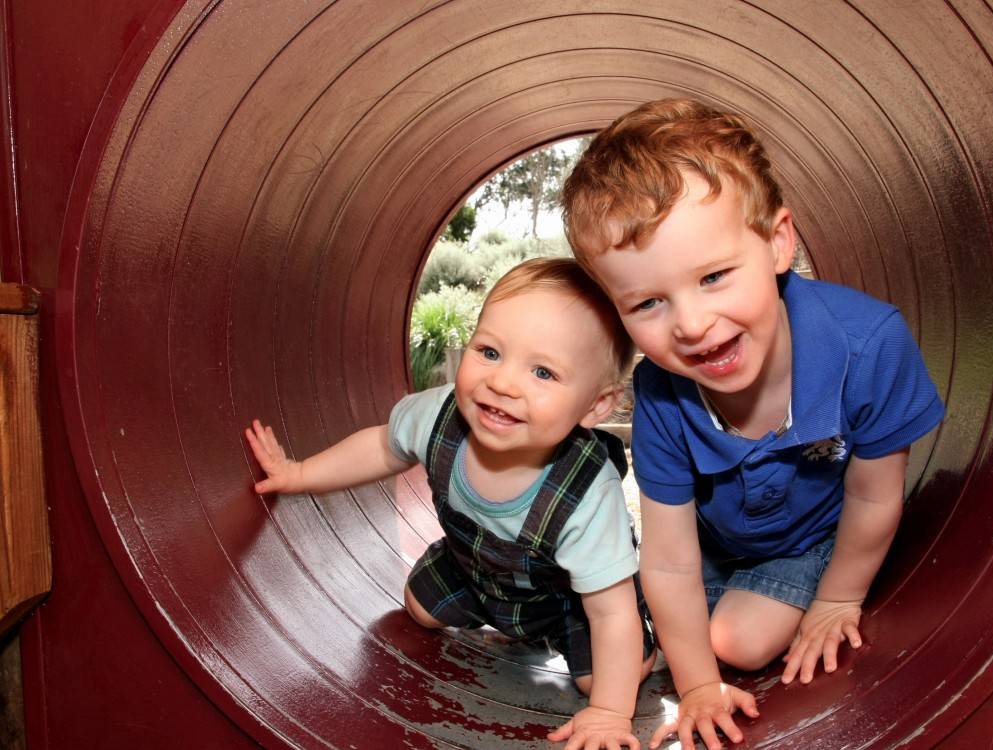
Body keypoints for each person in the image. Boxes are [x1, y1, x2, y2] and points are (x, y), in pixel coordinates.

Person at [561, 98, 945, 750]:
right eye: (648, 302)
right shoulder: (662, 392)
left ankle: (782, 597)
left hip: (812, 537)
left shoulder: (867, 344)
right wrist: (698, 689)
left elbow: (875, 493)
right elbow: (672, 559)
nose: (690, 324)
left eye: (713, 276)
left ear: (777, 243)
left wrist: (837, 599)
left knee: (735, 639)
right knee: (615, 639)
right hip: (717, 543)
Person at [245, 257, 657, 750]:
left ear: (594, 406)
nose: (503, 383)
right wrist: (299, 474)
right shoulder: (440, 415)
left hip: (570, 600)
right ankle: (491, 610)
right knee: (418, 608)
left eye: (543, 372)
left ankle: (643, 641)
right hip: (474, 569)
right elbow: (381, 447)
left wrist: (610, 713)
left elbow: (609, 613)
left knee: (605, 677)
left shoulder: (588, 495)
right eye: (489, 351)